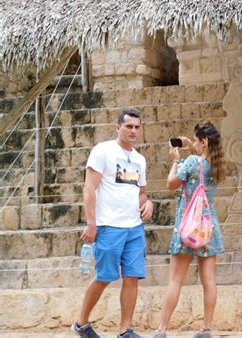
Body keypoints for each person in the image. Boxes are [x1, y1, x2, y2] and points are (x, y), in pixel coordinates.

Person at [72, 108, 154, 338]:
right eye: (129, 126)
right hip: (108, 226)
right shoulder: (103, 151)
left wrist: (148, 204)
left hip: (134, 228)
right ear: (118, 128)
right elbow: (89, 187)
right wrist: (91, 223)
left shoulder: (140, 159)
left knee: (132, 277)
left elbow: (141, 192)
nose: (133, 131)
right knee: (105, 276)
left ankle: (125, 330)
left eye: (137, 127)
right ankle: (81, 323)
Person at [154, 122, 225, 338]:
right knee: (209, 280)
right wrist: (189, 145)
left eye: (196, 140)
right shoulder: (218, 165)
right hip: (208, 227)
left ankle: (162, 329)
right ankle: (206, 328)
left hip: (187, 225)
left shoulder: (191, 162)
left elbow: (171, 184)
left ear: (203, 142)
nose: (193, 143)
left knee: (175, 280)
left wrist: (176, 161)